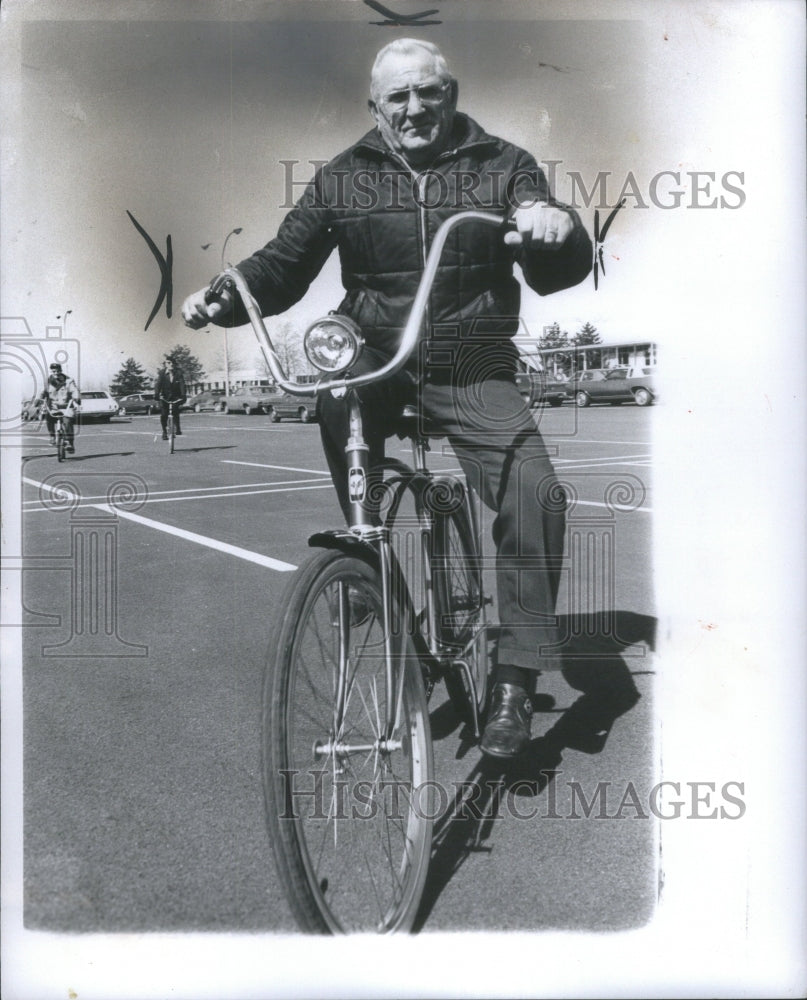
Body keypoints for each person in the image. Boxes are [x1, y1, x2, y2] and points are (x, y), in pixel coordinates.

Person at [182, 39, 592, 758]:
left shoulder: (503, 165)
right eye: (397, 97)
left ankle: (514, 680)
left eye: (427, 93)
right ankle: (372, 568)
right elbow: (282, 265)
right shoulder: (343, 178)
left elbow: (556, 269)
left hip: (472, 360)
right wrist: (223, 297)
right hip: (379, 355)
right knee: (335, 388)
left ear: (451, 94)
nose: (414, 109)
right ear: (375, 105)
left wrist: (554, 228)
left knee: (535, 494)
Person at [38, 362, 80, 452]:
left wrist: (76, 398)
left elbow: (74, 390)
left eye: (57, 371)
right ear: (51, 372)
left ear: (61, 371)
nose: (56, 373)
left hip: (66, 406)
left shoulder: (68, 380)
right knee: (48, 418)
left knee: (67, 421)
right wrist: (39, 399)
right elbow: (44, 392)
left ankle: (69, 442)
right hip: (53, 406)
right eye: (53, 371)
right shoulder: (48, 381)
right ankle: (52, 436)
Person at [153, 359, 187, 439]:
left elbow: (182, 385)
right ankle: (164, 431)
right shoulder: (162, 373)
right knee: (164, 414)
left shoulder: (178, 373)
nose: (171, 364)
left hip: (176, 396)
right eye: (169, 363)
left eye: (172, 363)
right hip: (164, 397)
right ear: (165, 364)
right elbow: (158, 384)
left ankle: (177, 428)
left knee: (175, 411)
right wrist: (156, 394)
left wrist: (183, 395)